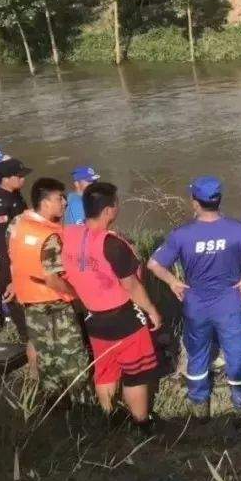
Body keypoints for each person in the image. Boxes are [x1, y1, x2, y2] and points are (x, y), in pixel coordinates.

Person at [147, 176, 241, 416]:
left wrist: (173, 282)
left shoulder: (181, 234)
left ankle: (200, 405)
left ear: (194, 202)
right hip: (230, 303)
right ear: (219, 200)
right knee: (236, 353)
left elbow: (154, 264)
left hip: (196, 304)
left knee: (198, 352)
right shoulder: (237, 229)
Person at [58, 182, 162, 434]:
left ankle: (109, 417)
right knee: (136, 373)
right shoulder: (112, 244)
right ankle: (142, 423)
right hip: (122, 317)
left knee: (105, 370)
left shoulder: (68, 234)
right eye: (116, 203)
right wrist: (151, 309)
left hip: (93, 316)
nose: (118, 207)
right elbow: (131, 286)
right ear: (108, 211)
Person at [7, 177, 89, 397]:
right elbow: (53, 279)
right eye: (59, 198)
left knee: (46, 355)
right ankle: (82, 404)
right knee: (72, 356)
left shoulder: (17, 223)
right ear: (45, 203)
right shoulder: (50, 236)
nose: (64, 202)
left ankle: (53, 401)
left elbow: (15, 256)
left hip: (29, 302)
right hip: (55, 303)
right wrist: (78, 295)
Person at [0, 158, 31, 339]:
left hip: (23, 253)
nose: (23, 180)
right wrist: (11, 270)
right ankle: (25, 337)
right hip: (8, 258)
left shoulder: (15, 195)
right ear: (6, 178)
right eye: (19, 176)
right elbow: (1, 240)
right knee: (14, 297)